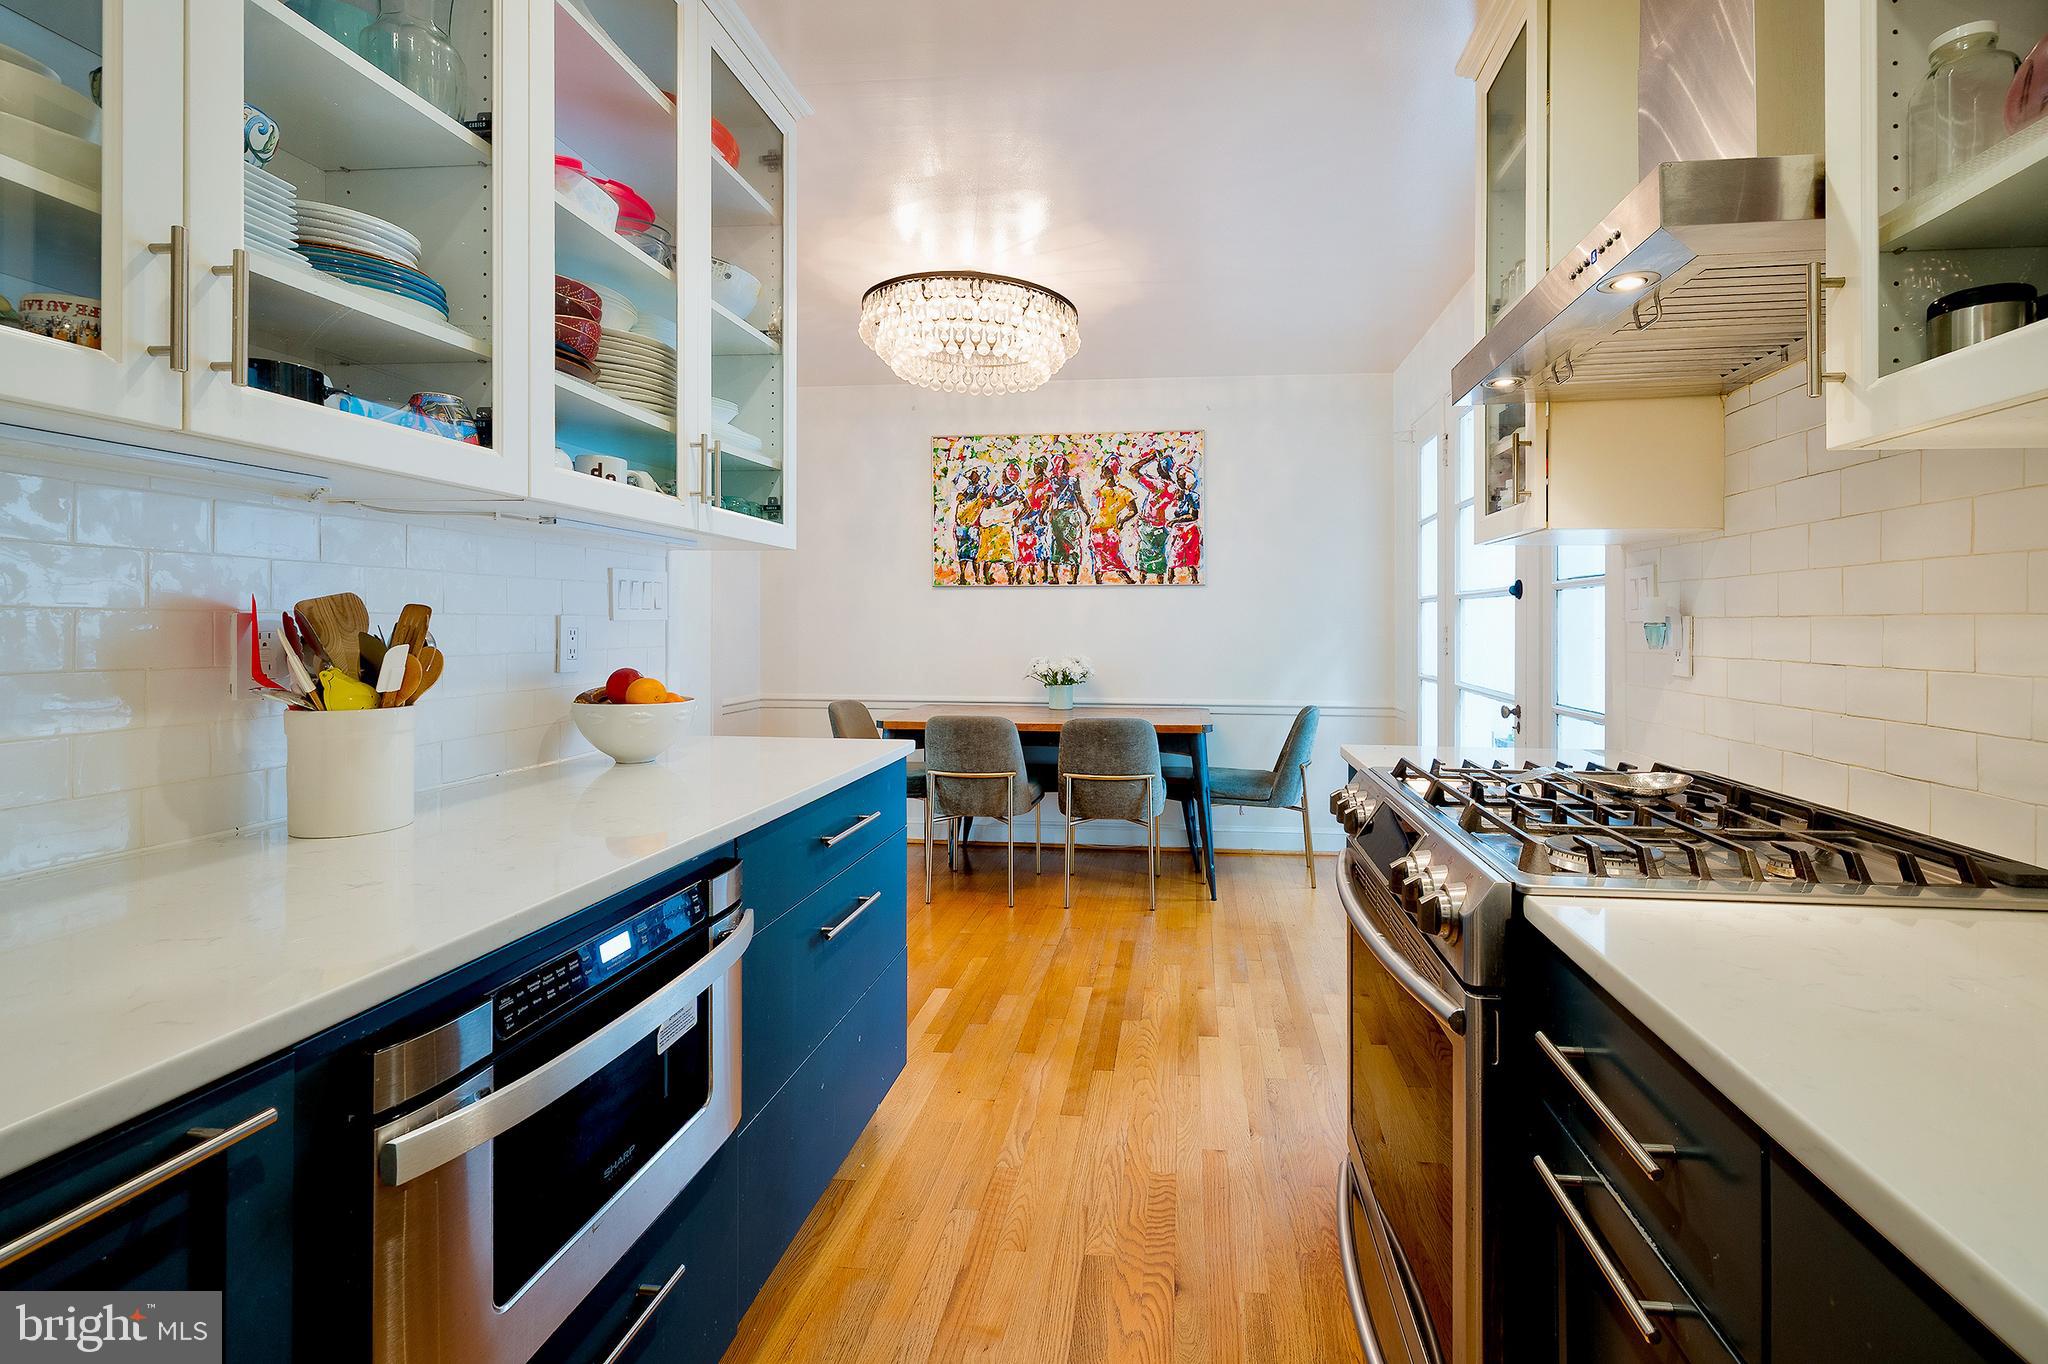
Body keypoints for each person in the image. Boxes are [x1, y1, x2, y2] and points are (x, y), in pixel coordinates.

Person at [1088, 455, 1138, 584]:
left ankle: (1127, 579)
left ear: (1111, 473)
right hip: (1096, 528)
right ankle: (1099, 582)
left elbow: (1134, 510)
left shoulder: (1124, 491)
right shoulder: (1100, 489)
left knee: (1113, 556)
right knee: (1099, 556)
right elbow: (1094, 507)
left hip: (1110, 528)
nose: (1102, 473)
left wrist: (1122, 520)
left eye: (1105, 470)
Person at [1133, 451, 1175, 584]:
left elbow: (1133, 470)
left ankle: (1142, 584)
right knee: (1159, 558)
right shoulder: (1173, 487)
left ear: (1160, 468)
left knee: (1144, 559)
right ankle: (1159, 585)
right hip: (1160, 526)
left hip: (1148, 526)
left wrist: (1150, 457)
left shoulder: (1157, 484)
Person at [978, 461, 1023, 584]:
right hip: (996, 524)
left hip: (1002, 525)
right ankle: (1000, 579)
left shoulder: (1014, 489)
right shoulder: (999, 487)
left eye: (1005, 473)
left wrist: (1017, 518)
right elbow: (989, 502)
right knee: (998, 554)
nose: (1003, 474)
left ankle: (1007, 579)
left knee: (998, 554)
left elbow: (1027, 506)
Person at [1046, 452, 1087, 584]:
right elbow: (1079, 498)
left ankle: (1056, 578)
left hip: (1057, 515)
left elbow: (1049, 500)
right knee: (1073, 544)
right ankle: (1074, 578)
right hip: (1070, 515)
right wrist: (1087, 513)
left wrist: (1046, 514)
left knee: (1057, 544)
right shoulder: (1073, 480)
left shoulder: (1053, 480)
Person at [1017, 456, 1052, 585]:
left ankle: (1045, 574)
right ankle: (1029, 574)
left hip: (1039, 515)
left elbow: (1047, 502)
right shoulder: (1031, 482)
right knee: (1026, 544)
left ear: (1042, 468)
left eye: (1037, 466)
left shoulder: (1046, 483)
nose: (1034, 468)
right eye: (1034, 466)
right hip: (1029, 515)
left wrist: (1042, 515)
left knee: (1041, 543)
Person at [951, 465, 986, 585]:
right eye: (971, 474)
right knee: (963, 551)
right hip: (965, 523)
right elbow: (961, 498)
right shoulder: (969, 488)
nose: (972, 476)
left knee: (974, 552)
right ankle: (962, 576)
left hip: (973, 523)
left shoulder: (982, 489)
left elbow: (982, 503)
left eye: (974, 474)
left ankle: (976, 577)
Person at [1169, 460, 1202, 584]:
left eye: (1182, 479)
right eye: (1179, 479)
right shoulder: (1176, 494)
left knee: (1190, 558)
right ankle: (1170, 581)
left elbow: (1194, 516)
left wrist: (1176, 520)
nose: (1179, 482)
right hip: (1178, 529)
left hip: (1189, 529)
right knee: (1173, 557)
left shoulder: (1193, 496)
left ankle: (1194, 580)